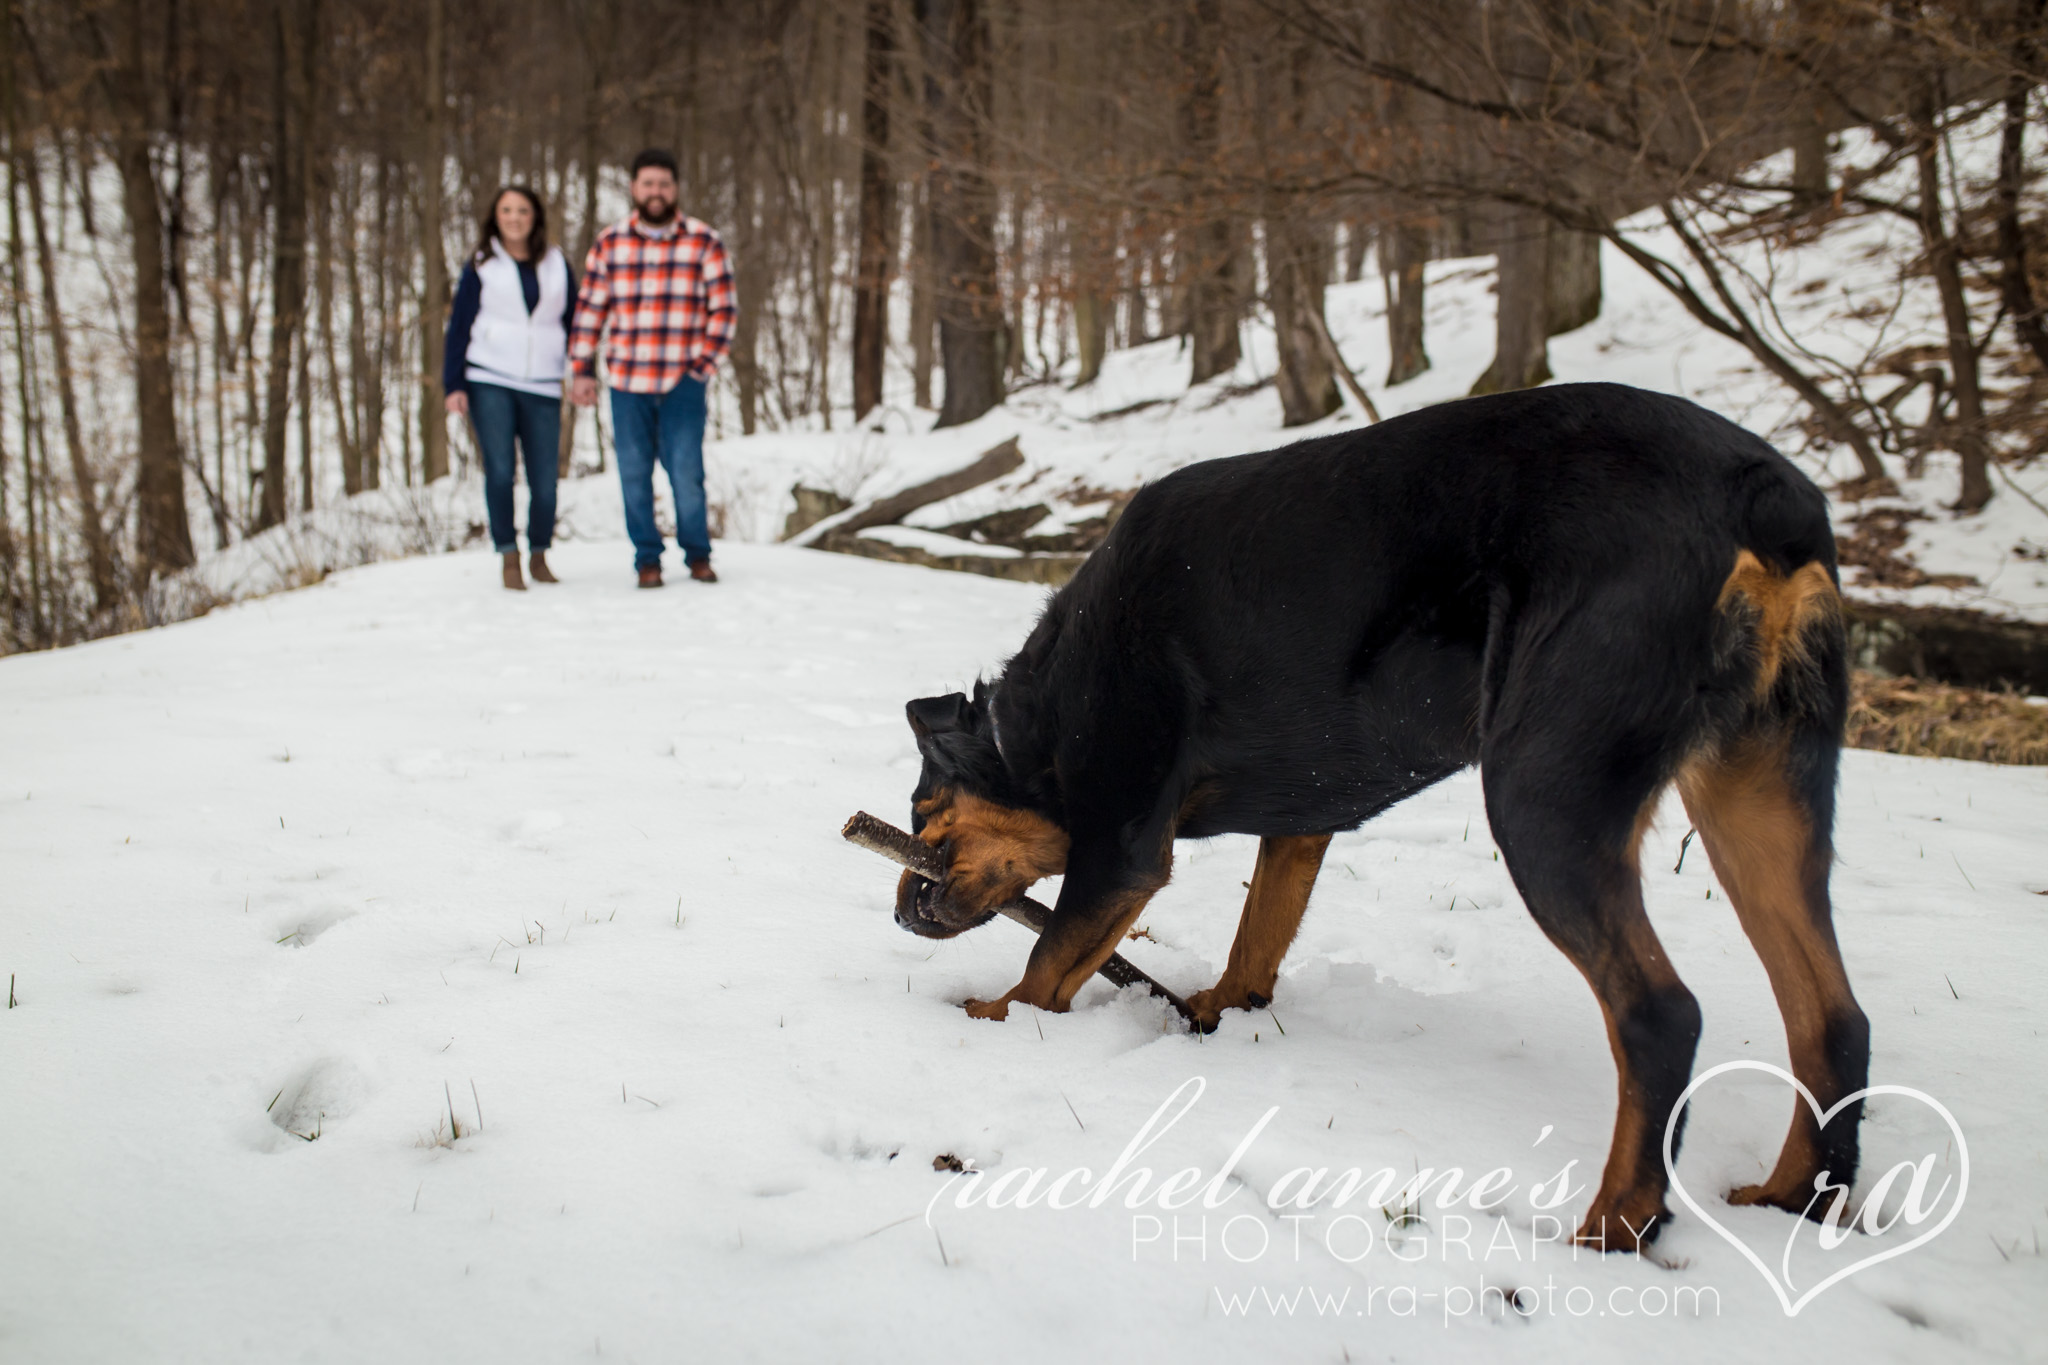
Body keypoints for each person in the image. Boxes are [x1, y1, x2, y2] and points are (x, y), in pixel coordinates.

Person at [568, 147, 736, 588]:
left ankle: (698, 555)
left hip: (683, 380)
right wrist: (581, 366)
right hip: (627, 383)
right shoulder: (610, 243)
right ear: (633, 188)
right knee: (634, 475)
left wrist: (703, 365)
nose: (656, 192)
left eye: (664, 184)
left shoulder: (703, 240)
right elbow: (589, 310)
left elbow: (724, 311)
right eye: (648, 184)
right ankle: (647, 559)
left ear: (675, 188)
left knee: (686, 473)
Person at [444, 186, 576, 591]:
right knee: (500, 470)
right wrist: (454, 384)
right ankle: (508, 554)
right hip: (490, 377)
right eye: (506, 210)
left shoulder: (556, 263)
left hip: (543, 381)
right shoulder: (483, 264)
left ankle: (539, 553)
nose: (515, 218)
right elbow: (460, 325)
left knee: (545, 478)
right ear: (495, 217)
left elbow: (574, 321)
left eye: (522, 210)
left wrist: (577, 370)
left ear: (535, 216)